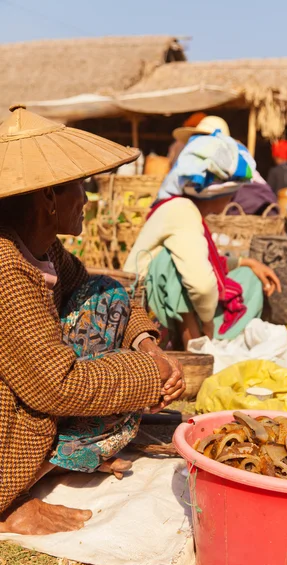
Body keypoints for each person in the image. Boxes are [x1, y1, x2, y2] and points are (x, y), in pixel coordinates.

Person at [0, 105, 185, 536]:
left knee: (105, 294)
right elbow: (57, 387)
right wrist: (147, 377)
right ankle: (10, 496)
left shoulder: (41, 250)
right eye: (80, 187)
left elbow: (102, 290)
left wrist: (147, 345)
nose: (86, 199)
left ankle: (51, 461)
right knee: (109, 403)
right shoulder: (7, 268)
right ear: (48, 199)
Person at [124, 131, 281, 349]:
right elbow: (202, 285)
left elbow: (207, 262)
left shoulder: (185, 208)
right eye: (231, 194)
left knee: (248, 275)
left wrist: (248, 262)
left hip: (169, 303)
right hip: (146, 311)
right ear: (221, 195)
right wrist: (207, 323)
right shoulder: (182, 211)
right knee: (171, 263)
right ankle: (196, 343)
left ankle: (207, 339)